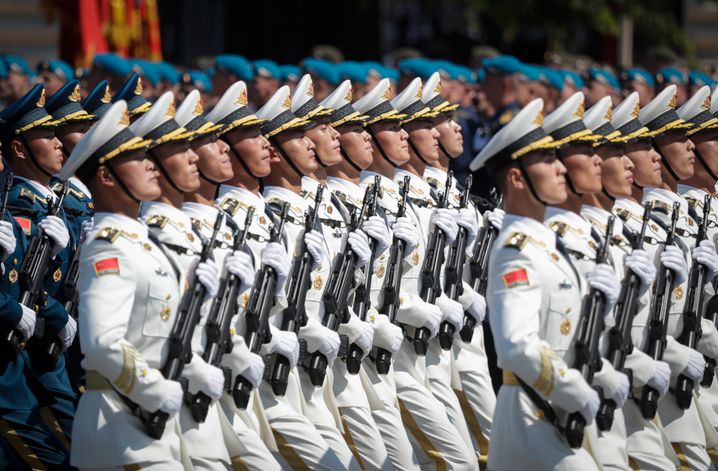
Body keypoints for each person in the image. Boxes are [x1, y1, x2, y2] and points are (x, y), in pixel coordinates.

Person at [469, 98, 600, 470]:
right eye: (547, 160)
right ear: (516, 178)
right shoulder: (517, 250)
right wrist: (575, 391)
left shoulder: (545, 243)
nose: (561, 169)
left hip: (552, 410)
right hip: (531, 413)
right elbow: (515, 347)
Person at [354, 78, 477, 470]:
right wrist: (408, 308)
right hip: (386, 349)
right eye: (394, 127)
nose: (404, 133)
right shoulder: (367, 199)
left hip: (428, 347)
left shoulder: (409, 194)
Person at [65, 100, 188, 469]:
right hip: (117, 421)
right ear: (105, 177)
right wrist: (153, 389)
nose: (152, 164)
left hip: (148, 417)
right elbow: (103, 343)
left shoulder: (143, 241)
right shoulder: (109, 245)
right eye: (136, 158)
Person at [130, 91, 233, 470]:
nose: (194, 156)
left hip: (201, 390)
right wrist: (192, 369)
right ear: (153, 163)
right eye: (181, 148)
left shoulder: (190, 230)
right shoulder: (152, 235)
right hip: (166, 392)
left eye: (194, 145)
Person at [421, 71, 498, 467]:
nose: (459, 127)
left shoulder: (455, 190)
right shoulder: (423, 199)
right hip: (432, 345)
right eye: (447, 123)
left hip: (467, 341)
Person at [639, 84, 718, 469]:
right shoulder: (655, 221)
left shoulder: (690, 216)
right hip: (675, 373)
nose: (689, 147)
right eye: (680, 139)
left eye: (693, 138)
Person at [0, 84, 78, 444]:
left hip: (48, 357)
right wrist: (57, 316)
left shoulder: (47, 203)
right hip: (27, 358)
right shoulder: (18, 206)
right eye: (47, 136)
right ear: (19, 148)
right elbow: (26, 284)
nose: (59, 142)